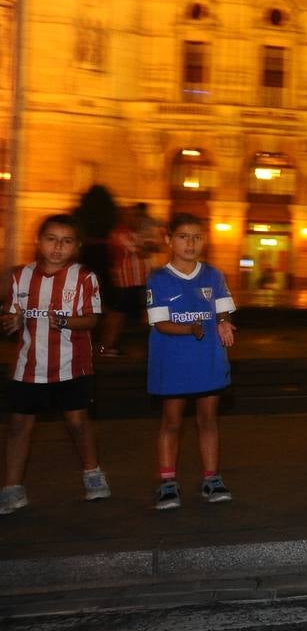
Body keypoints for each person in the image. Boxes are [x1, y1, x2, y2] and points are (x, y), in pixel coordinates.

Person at [0, 215, 110, 515]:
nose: (58, 247)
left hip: (71, 365)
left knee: (77, 422)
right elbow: (11, 314)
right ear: (38, 241)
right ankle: (12, 487)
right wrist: (12, 321)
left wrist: (63, 321)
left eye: (66, 241)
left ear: (77, 246)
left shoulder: (84, 277)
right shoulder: (20, 276)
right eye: (51, 239)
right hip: (28, 365)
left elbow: (92, 319)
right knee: (19, 425)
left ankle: (92, 473)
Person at [146, 213, 238, 509]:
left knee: (208, 419)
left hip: (208, 359)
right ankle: (167, 482)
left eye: (197, 237)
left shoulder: (214, 275)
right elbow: (160, 323)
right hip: (173, 361)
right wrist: (190, 329)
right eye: (183, 236)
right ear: (168, 240)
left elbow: (223, 309)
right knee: (171, 421)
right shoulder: (159, 279)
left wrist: (223, 322)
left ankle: (212, 478)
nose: (190, 243)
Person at [98, 204, 155, 357]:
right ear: (122, 217)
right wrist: (147, 245)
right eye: (130, 215)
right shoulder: (119, 234)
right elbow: (143, 250)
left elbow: (154, 247)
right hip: (126, 283)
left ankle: (153, 348)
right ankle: (105, 347)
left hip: (141, 282)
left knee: (147, 313)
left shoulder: (135, 233)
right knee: (117, 316)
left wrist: (148, 244)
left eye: (136, 215)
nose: (134, 218)